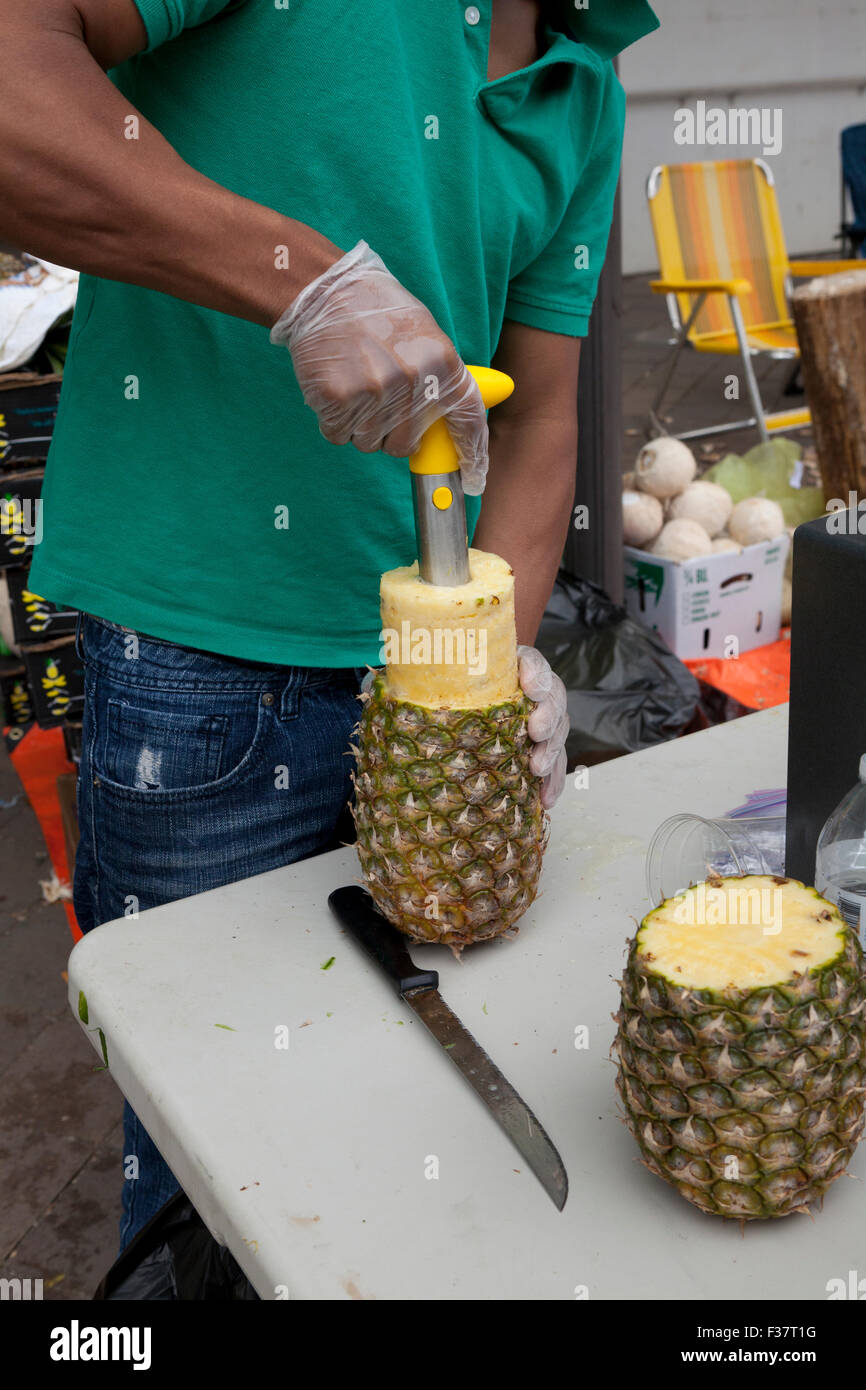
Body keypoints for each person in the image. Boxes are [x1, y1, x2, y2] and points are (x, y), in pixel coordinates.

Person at [0, 0, 659, 1250]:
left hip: (429, 690)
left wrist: (494, 657)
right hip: (202, 674)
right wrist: (303, 285)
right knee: (217, 1150)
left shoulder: (586, 77)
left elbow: (534, 418)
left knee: (407, 1125)